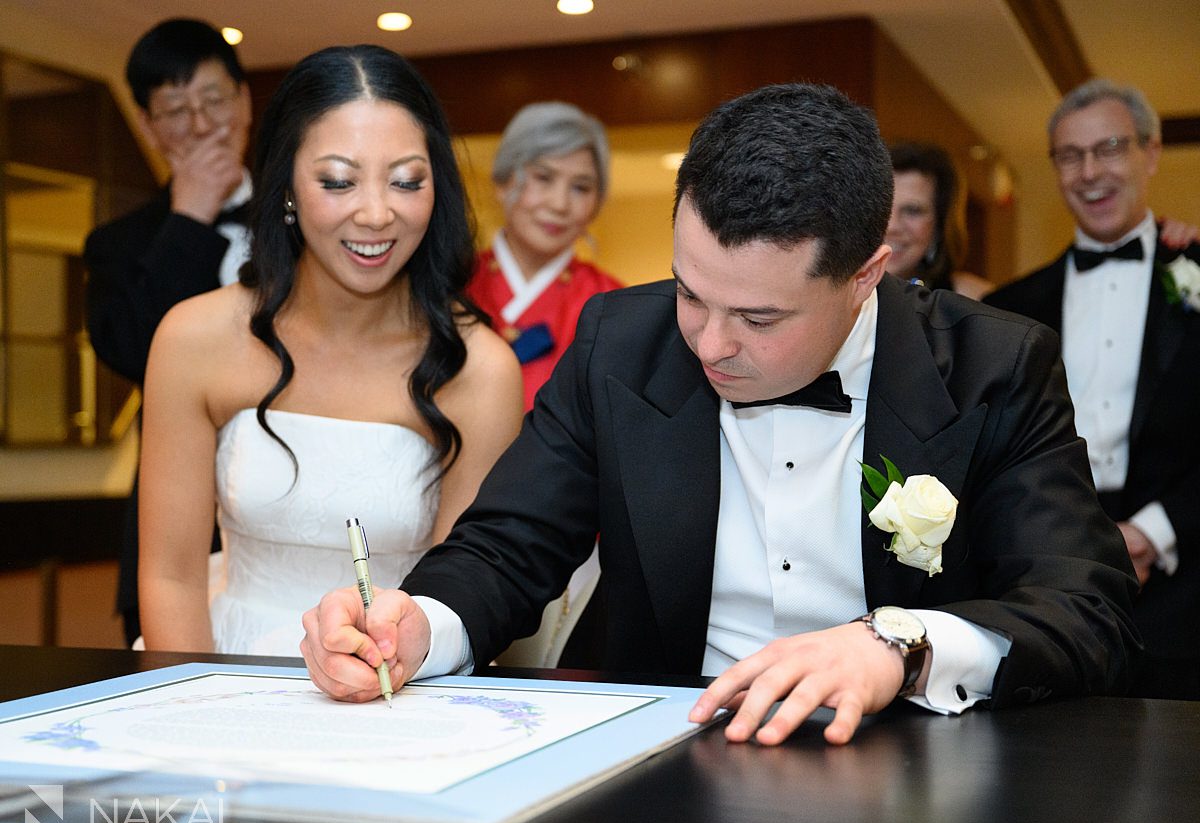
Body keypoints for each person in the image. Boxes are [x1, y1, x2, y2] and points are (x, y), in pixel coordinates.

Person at [301, 82, 1139, 746]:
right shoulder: (618, 342)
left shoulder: (996, 366)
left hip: (914, 759)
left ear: (864, 277)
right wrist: (422, 624)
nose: (709, 343)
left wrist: (902, 644)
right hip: (662, 753)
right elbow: (509, 545)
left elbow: (1086, 609)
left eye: (760, 319)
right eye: (691, 293)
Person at [137, 45, 523, 655]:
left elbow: (466, 590)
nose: (376, 214)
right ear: (286, 184)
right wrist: (192, 697)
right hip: (219, 662)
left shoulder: (479, 369)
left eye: (406, 181)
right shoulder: (194, 338)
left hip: (399, 674)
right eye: (339, 181)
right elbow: (170, 577)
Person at [985, 78, 1200, 700]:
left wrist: (1152, 533)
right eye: (1070, 156)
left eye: (1109, 148)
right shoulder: (1009, 308)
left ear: (1150, 153)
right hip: (1051, 585)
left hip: (1186, 587)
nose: (1089, 173)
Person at [83, 18, 254, 645]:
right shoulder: (116, 244)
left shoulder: (310, 220)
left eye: (214, 99)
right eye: (177, 110)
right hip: (174, 527)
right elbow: (130, 349)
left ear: (244, 100)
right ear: (149, 126)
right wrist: (189, 219)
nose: (203, 125)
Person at [467, 102, 623, 411]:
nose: (559, 204)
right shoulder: (451, 284)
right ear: (502, 182)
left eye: (580, 188)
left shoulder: (613, 305)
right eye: (543, 178)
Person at [885, 142, 995, 300]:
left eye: (913, 210)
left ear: (939, 226)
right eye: (882, 206)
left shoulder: (975, 300)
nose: (891, 226)